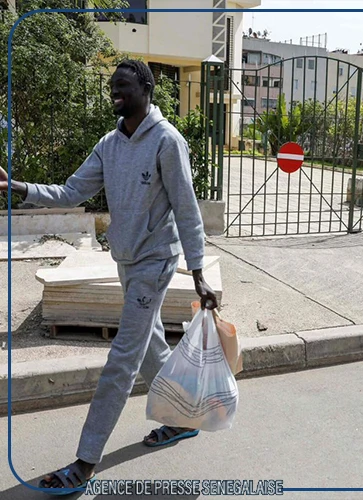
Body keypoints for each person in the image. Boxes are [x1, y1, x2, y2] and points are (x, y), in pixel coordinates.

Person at [0, 60, 219, 493]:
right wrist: (20, 187)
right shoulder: (110, 144)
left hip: (154, 263)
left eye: (123, 86)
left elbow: (188, 210)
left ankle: (84, 462)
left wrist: (197, 272)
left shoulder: (167, 142)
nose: (115, 93)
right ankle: (183, 418)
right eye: (112, 86)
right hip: (124, 259)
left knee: (122, 360)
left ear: (147, 88)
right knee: (152, 343)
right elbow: (71, 192)